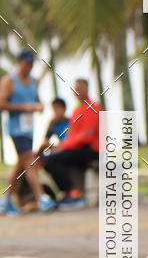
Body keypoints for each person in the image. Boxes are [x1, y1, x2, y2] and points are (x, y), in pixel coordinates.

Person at [0, 49, 56, 214]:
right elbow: (1, 104)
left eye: (31, 64)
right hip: (16, 129)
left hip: (29, 130)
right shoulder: (9, 81)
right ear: (19, 62)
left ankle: (4, 201)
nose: (29, 67)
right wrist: (25, 107)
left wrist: (40, 107)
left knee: (20, 166)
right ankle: (42, 198)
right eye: (26, 63)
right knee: (30, 160)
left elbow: (37, 101)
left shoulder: (33, 81)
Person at [42, 78, 102, 209]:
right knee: (46, 159)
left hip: (92, 151)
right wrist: (60, 147)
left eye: (80, 87)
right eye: (76, 88)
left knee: (52, 160)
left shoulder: (93, 107)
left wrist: (62, 147)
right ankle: (68, 194)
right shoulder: (76, 111)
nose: (78, 90)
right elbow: (72, 136)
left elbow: (86, 137)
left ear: (87, 89)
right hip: (79, 150)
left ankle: (72, 195)